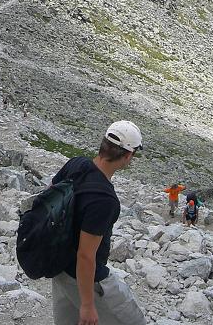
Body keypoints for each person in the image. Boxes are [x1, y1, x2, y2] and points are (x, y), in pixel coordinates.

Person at [50, 120, 146, 325]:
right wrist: (87, 304)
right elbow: (86, 255)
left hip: (58, 264)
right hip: (84, 278)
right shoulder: (104, 200)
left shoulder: (76, 163)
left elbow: (50, 195)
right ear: (128, 155)